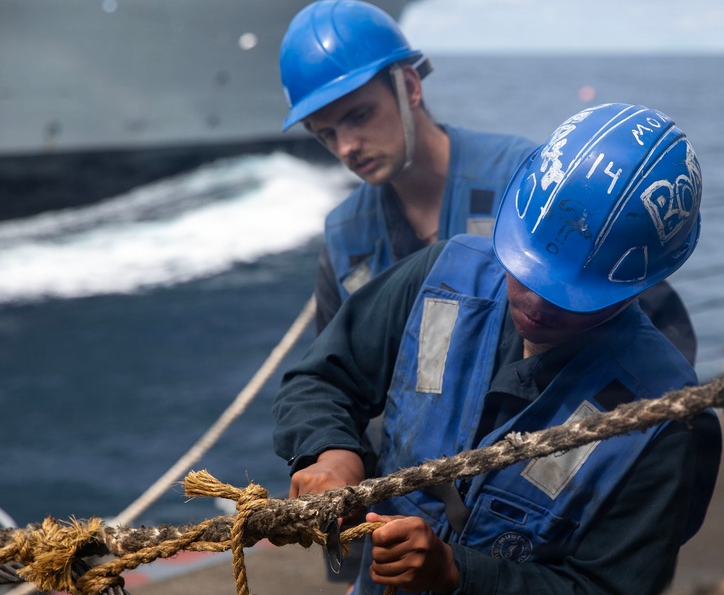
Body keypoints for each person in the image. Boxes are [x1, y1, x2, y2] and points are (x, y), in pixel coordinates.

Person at [273, 103, 722, 595]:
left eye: (566, 294)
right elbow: (321, 377)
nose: (533, 301)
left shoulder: (665, 421)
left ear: (641, 281)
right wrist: (332, 452)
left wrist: (457, 574)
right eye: (525, 267)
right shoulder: (443, 277)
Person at [278, 0, 698, 365]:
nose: (347, 147)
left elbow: (653, 323)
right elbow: (334, 369)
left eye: (358, 116)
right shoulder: (342, 235)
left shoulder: (531, 181)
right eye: (326, 134)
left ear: (408, 87)